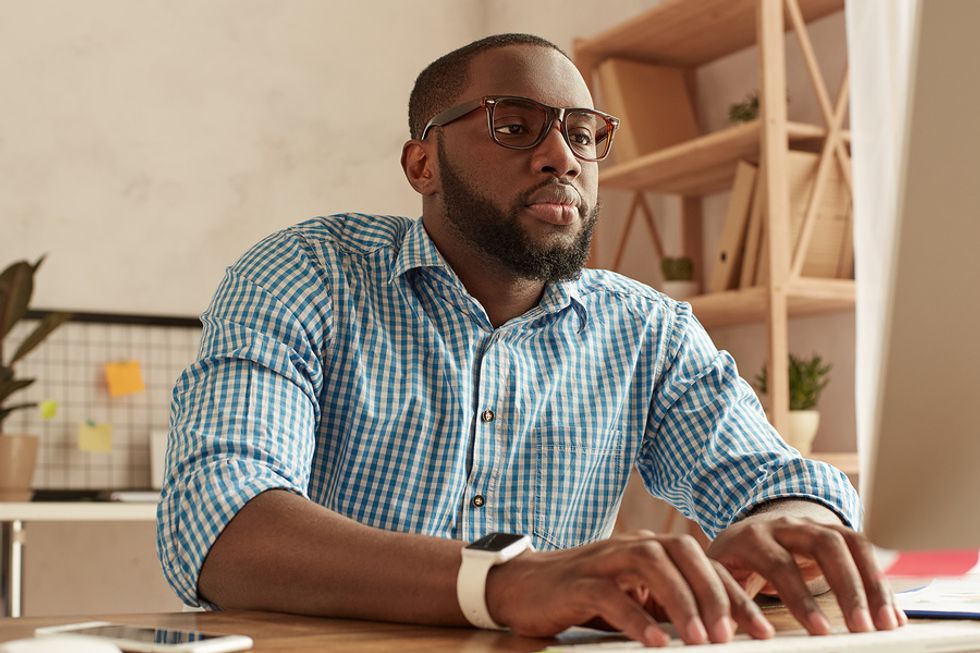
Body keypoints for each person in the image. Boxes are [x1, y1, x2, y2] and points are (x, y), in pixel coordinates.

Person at [157, 33, 905, 647]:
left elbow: (779, 485)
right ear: (422, 164)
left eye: (583, 134)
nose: (563, 157)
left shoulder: (648, 328)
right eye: (514, 125)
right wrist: (505, 580)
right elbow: (225, 523)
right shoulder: (308, 273)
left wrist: (782, 531)